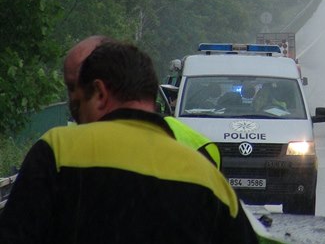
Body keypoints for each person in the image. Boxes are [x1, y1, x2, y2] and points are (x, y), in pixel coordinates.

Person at [0, 41, 257, 243]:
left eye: (78, 99)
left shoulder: (58, 150)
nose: (77, 114)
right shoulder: (208, 178)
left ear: (100, 93)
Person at [63, 36, 221, 169]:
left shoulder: (57, 151)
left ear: (100, 92)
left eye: (74, 86)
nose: (73, 97)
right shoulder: (198, 148)